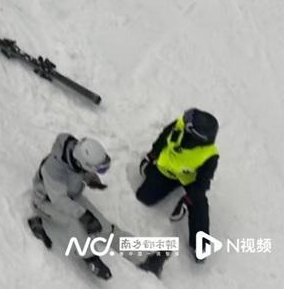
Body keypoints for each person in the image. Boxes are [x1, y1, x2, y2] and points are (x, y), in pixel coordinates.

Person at [29, 133, 168, 279]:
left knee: (104, 227)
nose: (98, 171)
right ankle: (90, 259)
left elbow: (81, 171)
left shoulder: (77, 155)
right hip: (46, 202)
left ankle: (145, 259)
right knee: (74, 223)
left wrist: (91, 179)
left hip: (72, 196)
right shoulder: (54, 169)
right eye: (97, 169)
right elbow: (59, 200)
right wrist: (83, 215)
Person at [136, 109, 219, 263]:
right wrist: (152, 155)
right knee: (144, 198)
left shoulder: (210, 155)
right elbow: (163, 137)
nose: (184, 120)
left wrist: (187, 201)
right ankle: (153, 174)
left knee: (199, 203)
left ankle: (201, 246)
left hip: (189, 180)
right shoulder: (180, 124)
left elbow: (202, 183)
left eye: (189, 124)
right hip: (165, 172)